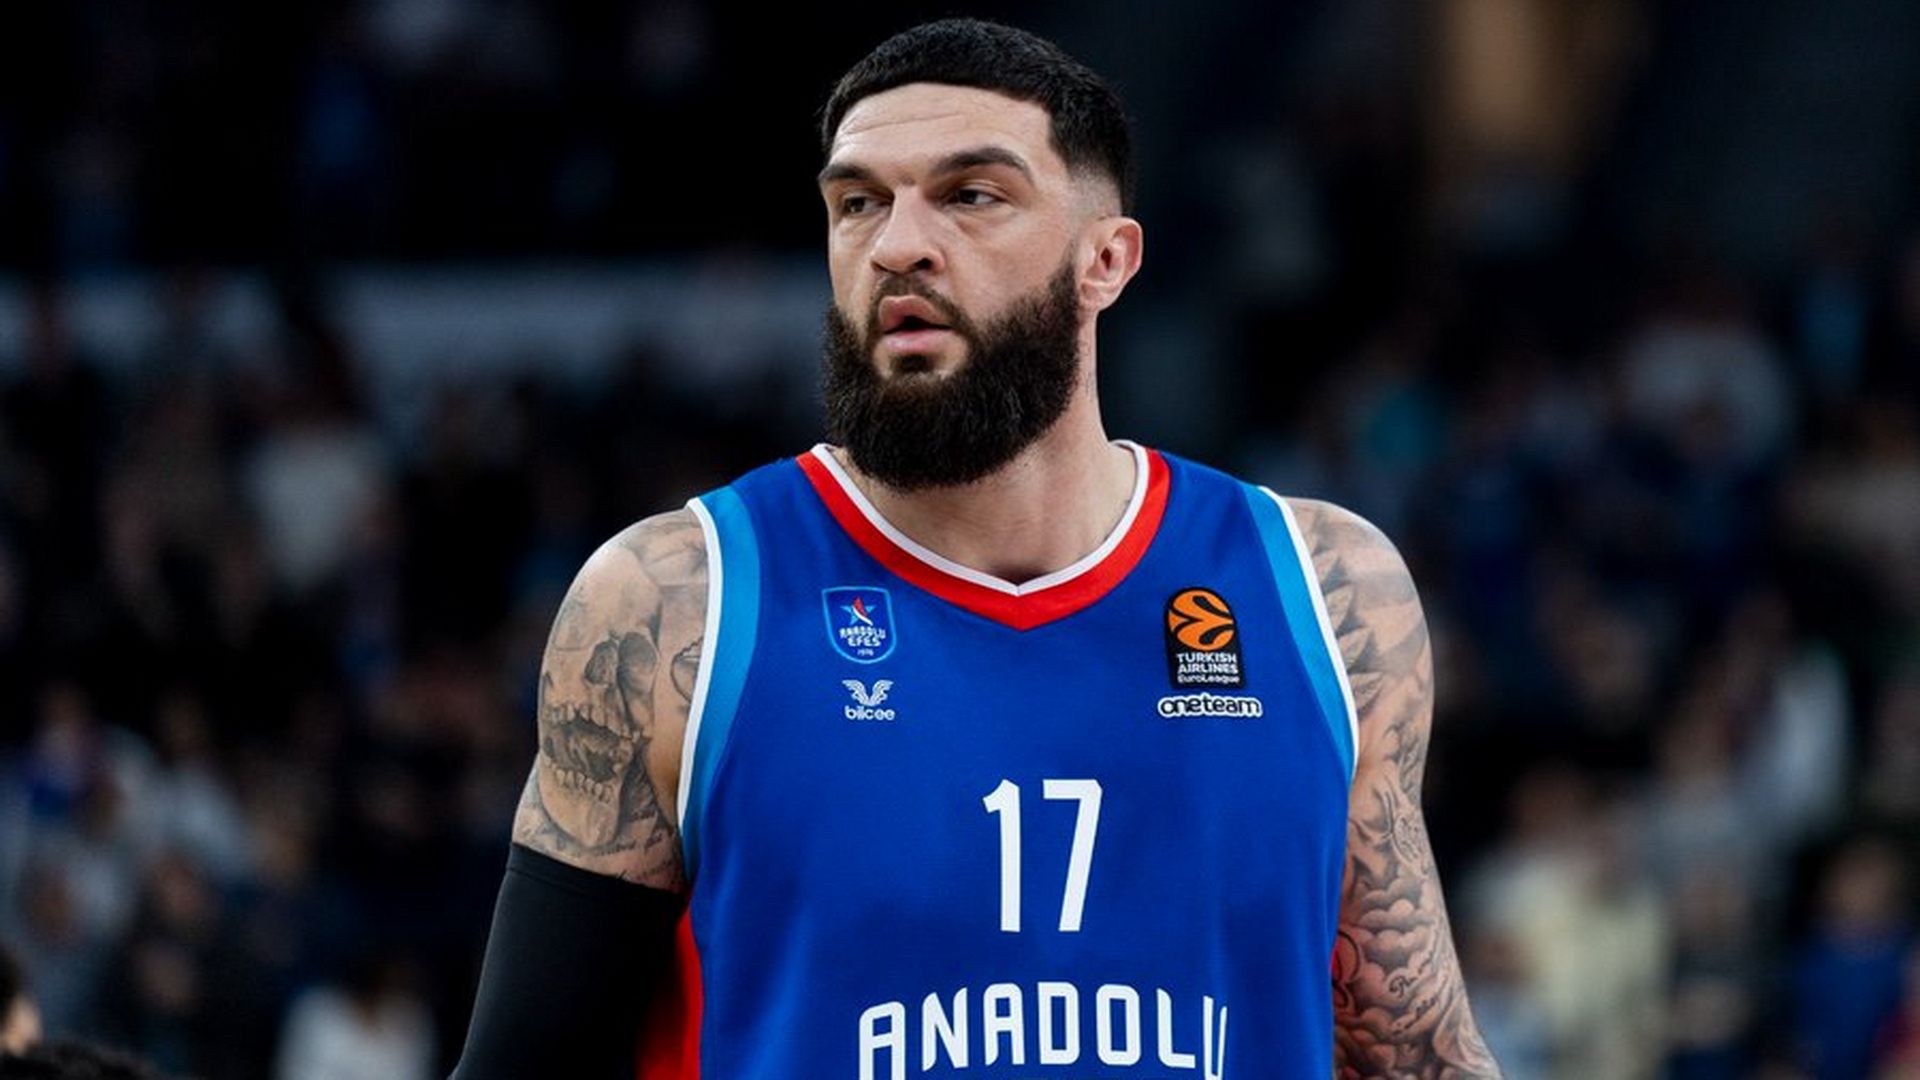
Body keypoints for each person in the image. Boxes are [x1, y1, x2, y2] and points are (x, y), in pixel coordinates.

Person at [452, 18, 1500, 1079]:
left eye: (970, 195)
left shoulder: (1324, 590)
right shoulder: (676, 601)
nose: (897, 244)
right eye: (859, 202)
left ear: (1106, 260)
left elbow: (1416, 1056)